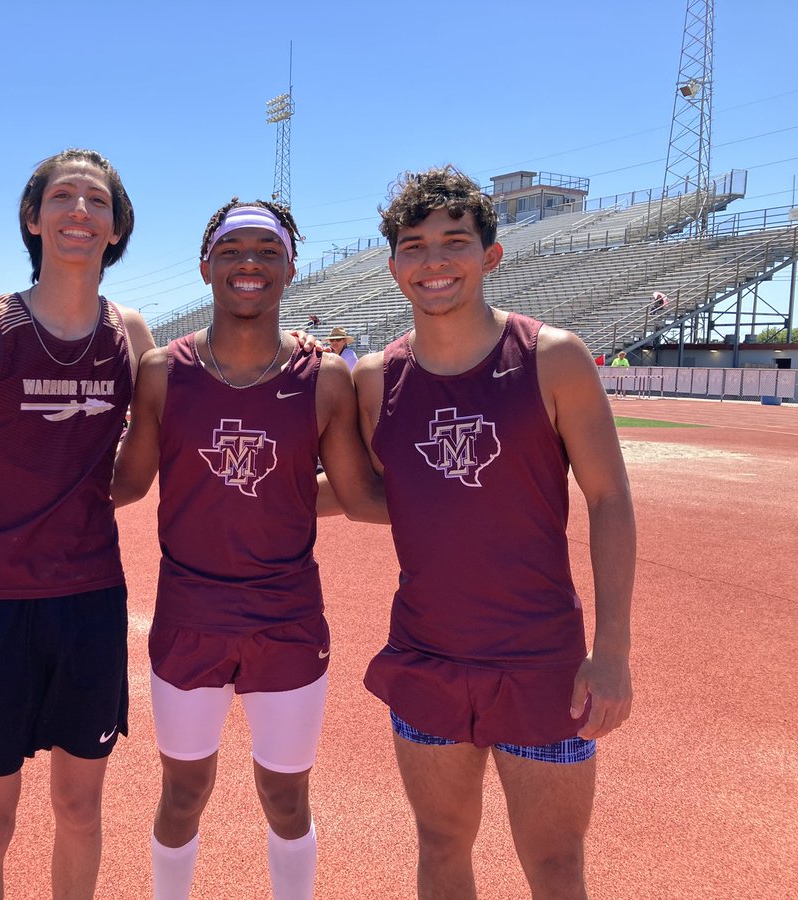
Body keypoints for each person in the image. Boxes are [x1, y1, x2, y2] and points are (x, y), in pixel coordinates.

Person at [352, 166, 634, 899]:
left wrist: (612, 652)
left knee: (555, 864)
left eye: (455, 242)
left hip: (542, 660)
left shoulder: (554, 357)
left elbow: (608, 499)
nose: (434, 261)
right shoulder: (377, 379)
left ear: (491, 255)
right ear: (393, 268)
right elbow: (394, 495)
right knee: (442, 845)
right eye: (414, 246)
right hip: (428, 654)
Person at [111, 200, 383, 900]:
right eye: (233, 250)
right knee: (182, 793)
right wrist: (25, 490)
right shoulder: (162, 373)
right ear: (207, 266)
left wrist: (490, 495)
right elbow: (128, 482)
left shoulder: (325, 379)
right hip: (188, 616)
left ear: (290, 266)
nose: (249, 263)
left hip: (287, 618)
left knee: (287, 799)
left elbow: (357, 496)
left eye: (267, 249)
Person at [0, 148, 155, 899]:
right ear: (33, 218)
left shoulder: (133, 336)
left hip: (91, 604)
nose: (79, 212)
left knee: (80, 809)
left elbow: (143, 468)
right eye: (62, 198)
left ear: (117, 229)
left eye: (97, 201)